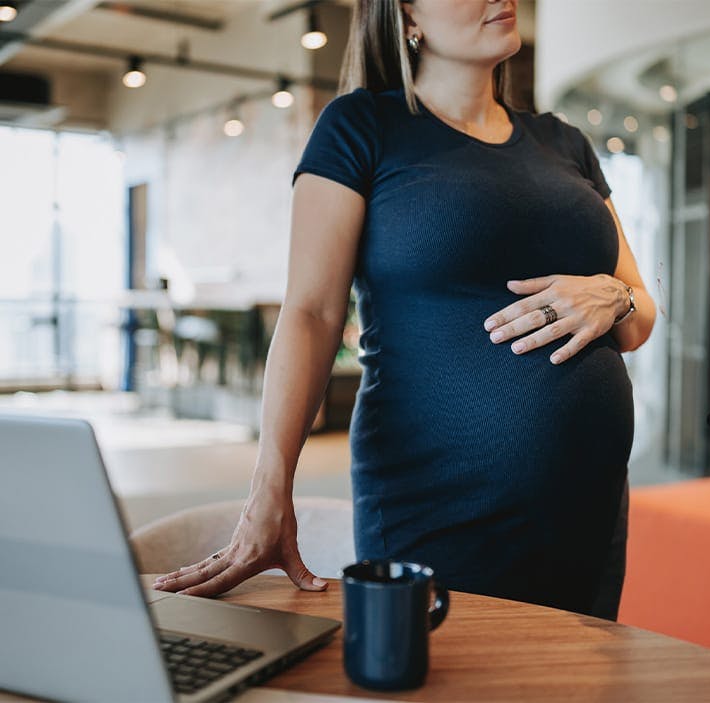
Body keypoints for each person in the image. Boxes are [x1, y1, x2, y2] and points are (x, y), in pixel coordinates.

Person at [153, 0, 656, 620]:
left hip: (589, 501)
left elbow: (638, 317)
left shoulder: (566, 144)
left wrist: (616, 294)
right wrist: (270, 487)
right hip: (437, 496)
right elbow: (311, 313)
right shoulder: (360, 127)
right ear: (407, 18)